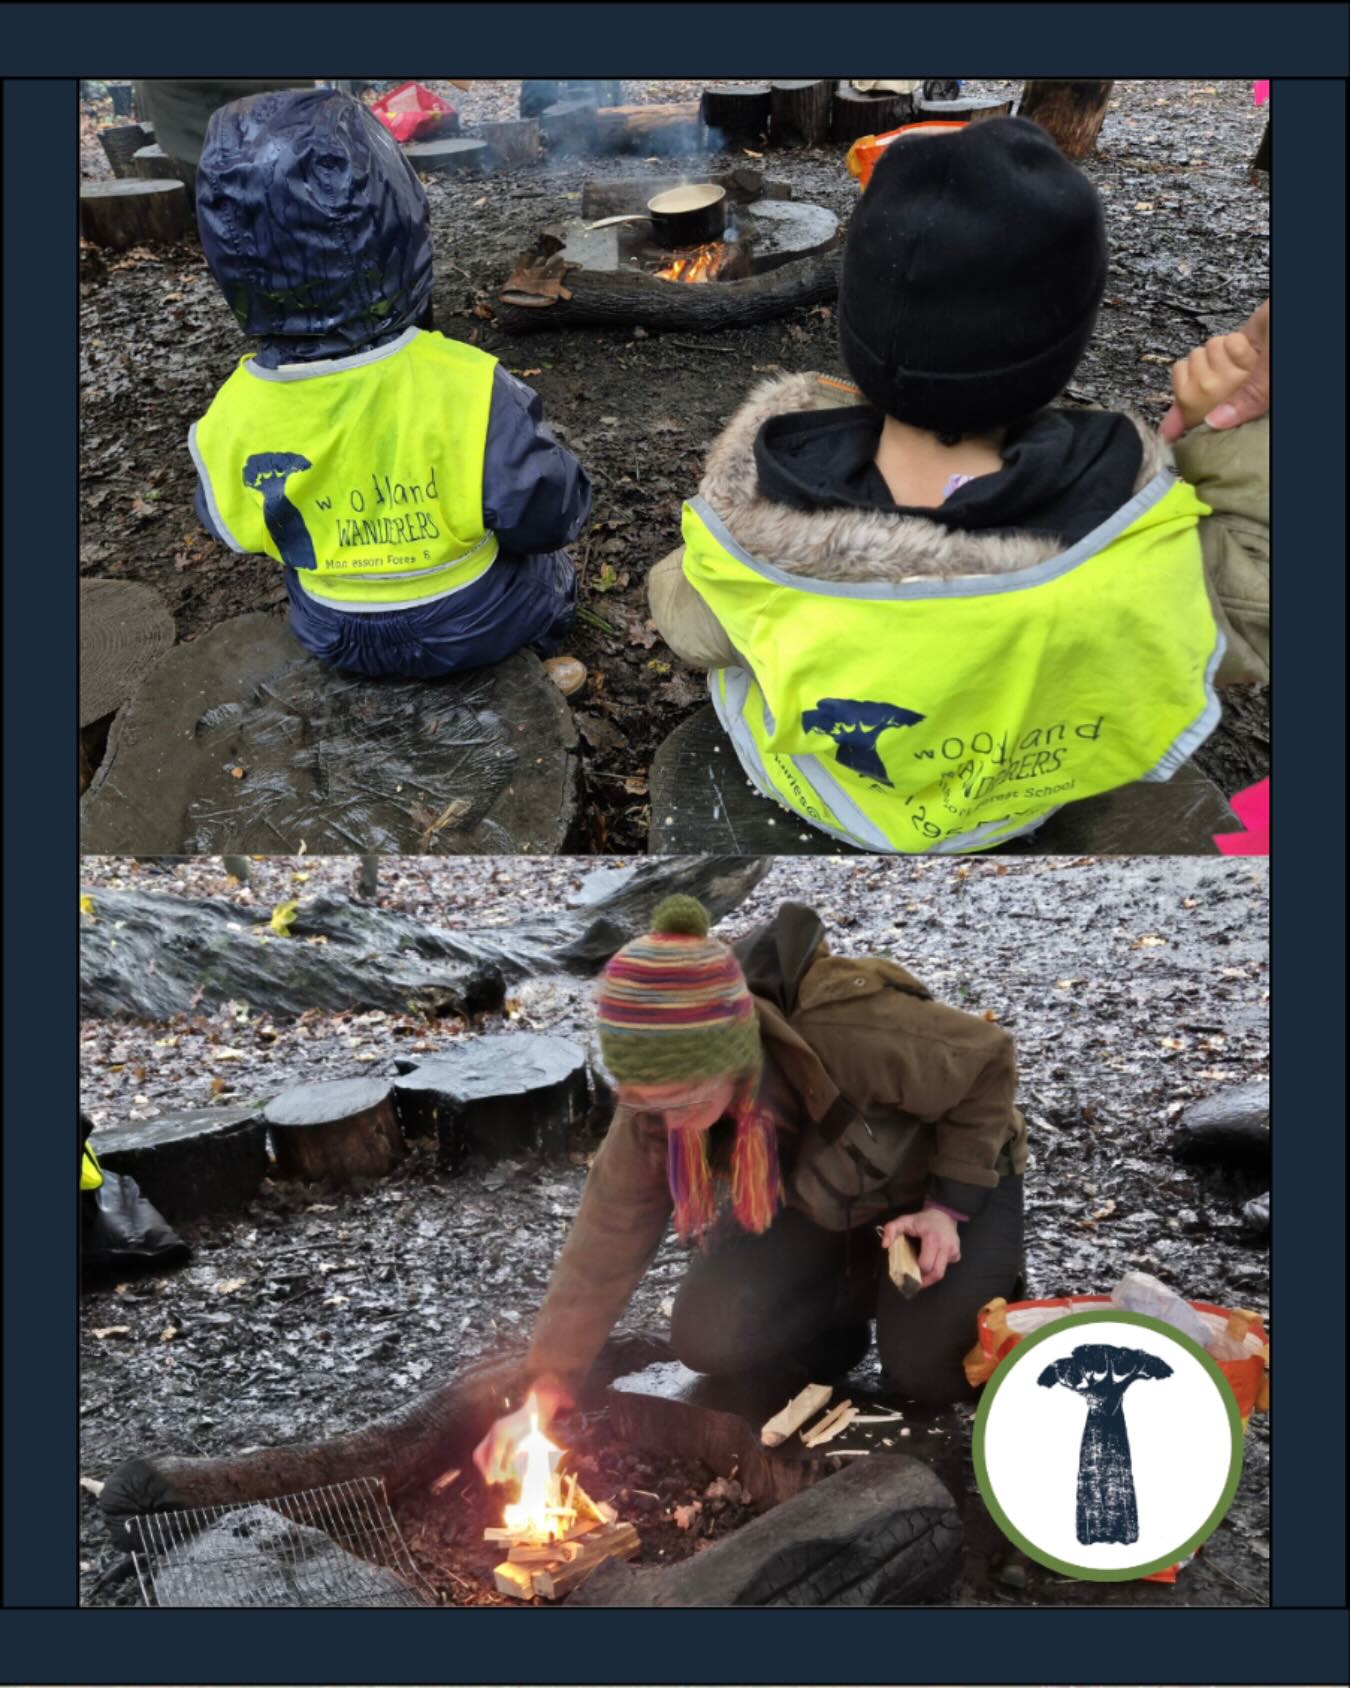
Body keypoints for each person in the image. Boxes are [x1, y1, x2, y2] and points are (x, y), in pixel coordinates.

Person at [648, 117, 1269, 854]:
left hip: (831, 794)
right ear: (1063, 347)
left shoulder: (753, 514)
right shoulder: (1139, 540)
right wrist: (1215, 437)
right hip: (1016, 795)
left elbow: (690, 631)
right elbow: (1250, 608)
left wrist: (686, 563)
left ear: (857, 330)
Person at [474, 894, 1026, 1483]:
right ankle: (844, 1316)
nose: (668, 1123)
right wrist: (546, 1388)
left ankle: (960, 1294)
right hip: (820, 1205)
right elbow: (604, 1240)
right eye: (647, 1105)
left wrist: (949, 1205)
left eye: (685, 1101)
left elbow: (988, 1067)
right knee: (712, 1336)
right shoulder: (657, 1102)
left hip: (941, 1188)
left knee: (933, 1373)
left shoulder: (847, 1026)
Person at [189, 88, 589, 679]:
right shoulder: (466, 381)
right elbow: (547, 511)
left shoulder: (233, 411)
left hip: (330, 627)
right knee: (546, 573)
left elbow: (227, 524)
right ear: (399, 222)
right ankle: (551, 627)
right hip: (472, 619)